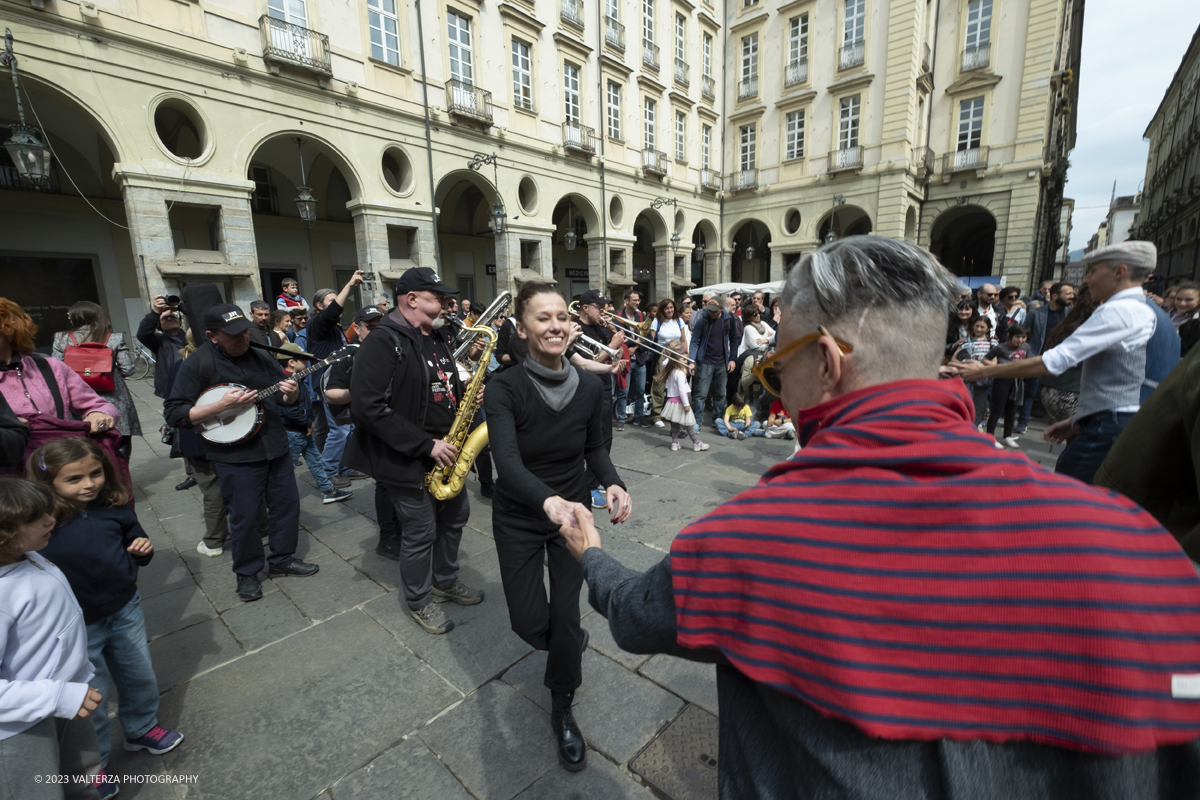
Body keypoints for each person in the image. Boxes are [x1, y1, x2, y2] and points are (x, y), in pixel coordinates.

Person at [557, 235, 1200, 800]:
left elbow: (638, 617)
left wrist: (591, 554)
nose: (778, 395)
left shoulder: (751, 539)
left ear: (828, 364)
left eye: (779, 373)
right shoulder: (1139, 548)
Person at [484, 282, 632, 772]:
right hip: (519, 516)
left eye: (561, 318)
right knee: (528, 623)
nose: (555, 326)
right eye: (542, 318)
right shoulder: (503, 388)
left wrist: (612, 483)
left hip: (573, 518)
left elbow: (595, 449)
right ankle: (566, 645)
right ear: (523, 328)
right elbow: (505, 460)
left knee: (566, 616)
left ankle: (563, 704)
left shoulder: (590, 386)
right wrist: (545, 500)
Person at [28, 439, 182, 798]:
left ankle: (141, 727)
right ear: (48, 482)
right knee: (90, 695)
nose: (89, 484)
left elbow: (136, 538)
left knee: (138, 672)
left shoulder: (115, 507)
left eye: (95, 473)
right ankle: (93, 765)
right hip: (77, 623)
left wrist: (142, 549)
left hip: (125, 607)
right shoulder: (45, 522)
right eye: (75, 479)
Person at [951, 242, 1164, 484]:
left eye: (1093, 271)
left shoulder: (1119, 310)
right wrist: (1077, 421)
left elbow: (1055, 361)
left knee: (1073, 493)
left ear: (1120, 272)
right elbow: (1117, 379)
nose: (1086, 280)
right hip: (1105, 420)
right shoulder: (1137, 309)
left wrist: (986, 371)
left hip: (1108, 425)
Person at [343, 268, 483, 635]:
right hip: (407, 456)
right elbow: (368, 407)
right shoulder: (382, 341)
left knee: (455, 517)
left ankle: (446, 581)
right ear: (412, 299)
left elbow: (438, 386)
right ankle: (420, 601)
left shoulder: (434, 338)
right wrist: (425, 444)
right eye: (438, 297)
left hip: (445, 451)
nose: (447, 304)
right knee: (420, 530)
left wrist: (465, 395)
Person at [164, 303, 318, 602]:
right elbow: (174, 412)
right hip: (234, 455)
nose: (242, 339)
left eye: (245, 332)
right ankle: (247, 573)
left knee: (286, 507)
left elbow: (284, 398)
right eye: (232, 335)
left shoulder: (261, 355)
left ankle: (283, 558)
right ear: (212, 336)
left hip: (275, 446)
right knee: (244, 516)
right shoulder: (197, 364)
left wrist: (292, 395)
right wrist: (219, 407)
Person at [0, 478, 104, 800]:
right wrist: (57, 696)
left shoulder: (28, 555)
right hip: (19, 727)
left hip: (67, 699)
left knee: (83, 780)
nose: (51, 519)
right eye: (35, 518)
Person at [325, 307, 402, 558]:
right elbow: (331, 393)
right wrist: (363, 390)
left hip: (400, 422)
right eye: (370, 326)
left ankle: (404, 529)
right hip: (374, 424)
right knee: (385, 483)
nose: (376, 331)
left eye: (380, 325)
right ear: (357, 328)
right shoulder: (347, 355)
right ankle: (388, 538)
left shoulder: (393, 348)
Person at [0, 299, 118, 439]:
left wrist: (99, 415)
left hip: (62, 457)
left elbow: (100, 406)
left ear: (9, 330)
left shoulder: (50, 367)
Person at [52, 301, 141, 460]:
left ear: (77, 317)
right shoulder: (113, 338)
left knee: (87, 444)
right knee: (121, 440)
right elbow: (128, 369)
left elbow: (56, 371)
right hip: (115, 397)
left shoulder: (61, 338)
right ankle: (121, 476)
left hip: (78, 400)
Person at [308, 272, 367, 489]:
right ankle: (328, 471)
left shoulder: (333, 328)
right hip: (329, 383)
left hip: (342, 380)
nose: (336, 305)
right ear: (319, 306)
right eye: (330, 301)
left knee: (348, 427)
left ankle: (346, 467)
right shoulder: (317, 324)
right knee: (339, 429)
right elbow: (334, 311)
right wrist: (350, 285)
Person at [276, 343, 352, 505]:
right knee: (287, 469)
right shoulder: (287, 383)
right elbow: (289, 412)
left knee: (316, 463)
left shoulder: (298, 378)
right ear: (291, 362)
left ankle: (328, 491)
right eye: (304, 359)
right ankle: (276, 500)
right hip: (295, 433)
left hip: (304, 431)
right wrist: (307, 422)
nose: (307, 362)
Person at [1020, 282, 1075, 433]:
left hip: (1062, 361)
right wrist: (1028, 354)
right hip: (1038, 358)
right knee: (1030, 391)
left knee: (1059, 393)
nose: (1072, 296)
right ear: (1055, 296)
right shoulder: (1036, 313)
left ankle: (1058, 424)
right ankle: (1023, 421)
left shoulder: (1072, 313)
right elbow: (1025, 334)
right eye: (1068, 294)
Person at [688, 298, 739, 428]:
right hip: (705, 361)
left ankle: (717, 419)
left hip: (722, 362)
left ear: (722, 309)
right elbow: (694, 342)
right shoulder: (702, 320)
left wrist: (732, 358)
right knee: (701, 395)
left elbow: (734, 340)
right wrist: (691, 361)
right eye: (710, 311)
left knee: (721, 394)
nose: (711, 313)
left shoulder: (729, 319)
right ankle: (697, 422)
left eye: (714, 312)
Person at [983, 323, 1032, 448]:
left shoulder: (1026, 347)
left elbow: (1027, 361)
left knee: (1012, 411)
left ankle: (1007, 437)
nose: (1020, 340)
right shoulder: (1000, 347)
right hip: (1001, 382)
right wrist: (997, 369)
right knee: (997, 410)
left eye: (1023, 337)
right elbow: (985, 359)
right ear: (1009, 335)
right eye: (1017, 337)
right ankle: (990, 438)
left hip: (1018, 383)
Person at [656, 341, 708, 452]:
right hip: (681, 402)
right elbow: (681, 390)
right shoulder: (679, 373)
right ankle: (696, 443)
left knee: (675, 424)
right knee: (689, 424)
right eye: (684, 360)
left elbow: (665, 363)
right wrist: (686, 404)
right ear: (676, 360)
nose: (686, 362)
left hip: (672, 401)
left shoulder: (671, 371)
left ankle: (675, 443)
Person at [648, 299, 687, 428]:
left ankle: (670, 413)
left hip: (677, 354)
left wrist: (686, 355)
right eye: (666, 308)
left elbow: (683, 339)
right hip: (663, 354)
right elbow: (652, 339)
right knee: (659, 384)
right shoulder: (657, 321)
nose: (669, 310)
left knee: (676, 384)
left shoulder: (679, 321)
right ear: (662, 310)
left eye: (671, 307)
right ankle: (656, 415)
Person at [953, 314, 996, 426]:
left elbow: (994, 364)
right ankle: (963, 426)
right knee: (966, 403)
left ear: (988, 328)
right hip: (967, 379)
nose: (979, 329)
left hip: (984, 379)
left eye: (982, 327)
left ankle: (974, 427)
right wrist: (966, 365)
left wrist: (980, 367)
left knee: (980, 406)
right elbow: (953, 360)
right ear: (972, 326)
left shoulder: (993, 343)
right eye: (977, 326)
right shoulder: (965, 342)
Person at [614, 290, 648, 431]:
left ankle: (638, 418)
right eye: (634, 300)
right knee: (624, 391)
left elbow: (648, 338)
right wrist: (631, 346)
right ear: (626, 301)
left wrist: (637, 345)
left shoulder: (641, 316)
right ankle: (621, 419)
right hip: (625, 360)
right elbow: (619, 339)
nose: (637, 303)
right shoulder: (618, 317)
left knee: (640, 391)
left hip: (639, 359)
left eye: (638, 300)